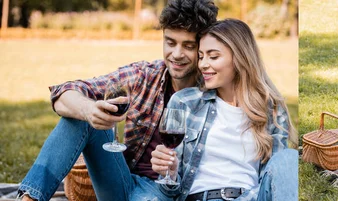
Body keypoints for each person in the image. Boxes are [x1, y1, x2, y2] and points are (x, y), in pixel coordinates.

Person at [17, 0, 218, 200]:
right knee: (79, 114)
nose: (176, 54)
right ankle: (30, 198)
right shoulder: (145, 76)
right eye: (170, 42)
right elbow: (63, 92)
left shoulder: (216, 92)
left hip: (168, 192)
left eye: (188, 46)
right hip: (122, 181)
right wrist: (88, 110)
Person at [150, 19, 298, 201]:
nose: (203, 64)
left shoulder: (272, 109)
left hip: (251, 197)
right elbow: (170, 191)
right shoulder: (185, 102)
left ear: (239, 58)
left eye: (213, 57)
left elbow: (273, 180)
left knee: (288, 158)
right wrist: (170, 172)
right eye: (201, 56)